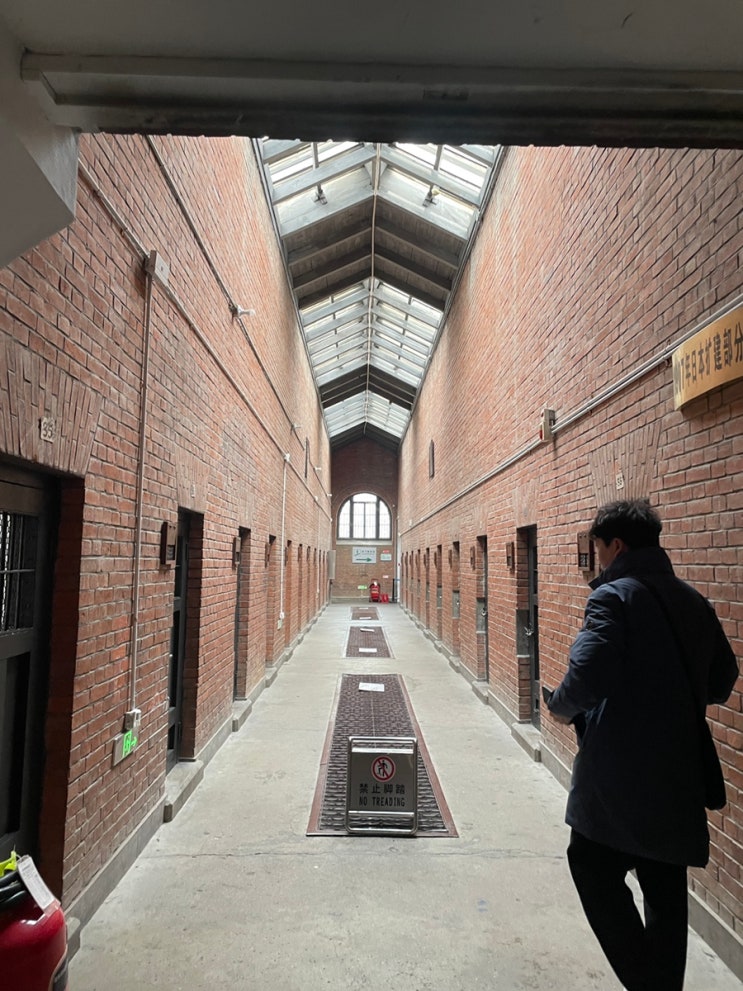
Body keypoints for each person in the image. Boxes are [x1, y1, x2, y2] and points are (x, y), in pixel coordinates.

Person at [546, 499, 738, 991]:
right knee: (665, 883)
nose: (598, 558)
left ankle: (648, 983)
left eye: (598, 548)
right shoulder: (692, 601)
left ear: (617, 545)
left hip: (620, 771)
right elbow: (722, 681)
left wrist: (561, 707)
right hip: (681, 769)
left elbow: (588, 674)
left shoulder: (613, 598)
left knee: (591, 864)